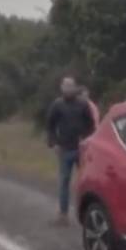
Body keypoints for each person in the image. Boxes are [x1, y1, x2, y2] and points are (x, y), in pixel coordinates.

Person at [46, 76, 96, 226]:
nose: (68, 89)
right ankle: (63, 214)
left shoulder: (83, 104)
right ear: (61, 88)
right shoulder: (57, 105)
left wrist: (87, 141)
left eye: (71, 86)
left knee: (86, 183)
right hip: (64, 149)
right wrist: (53, 143)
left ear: (75, 88)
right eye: (66, 86)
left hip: (81, 150)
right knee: (64, 182)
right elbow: (50, 125)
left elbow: (91, 125)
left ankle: (87, 215)